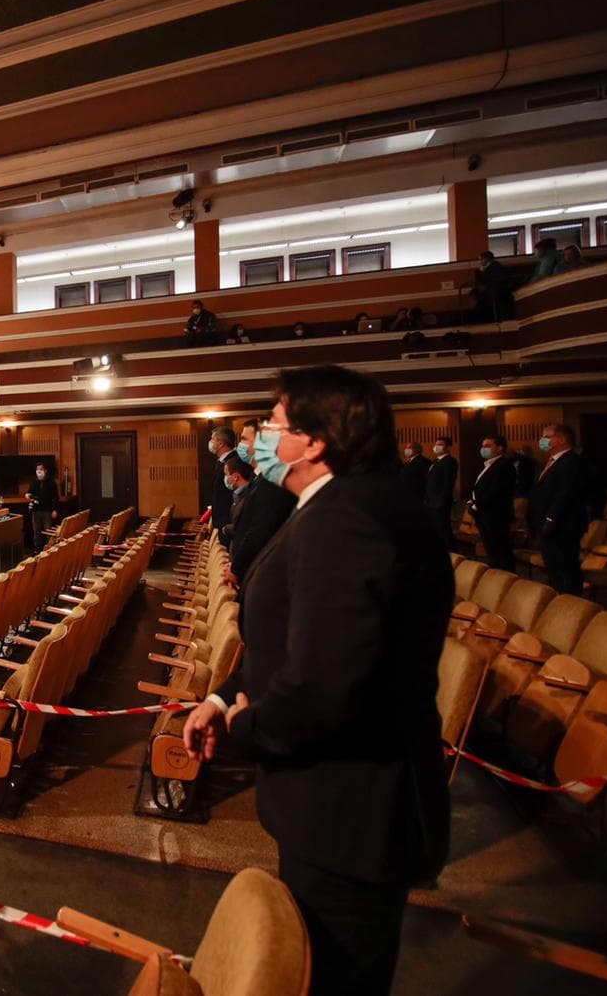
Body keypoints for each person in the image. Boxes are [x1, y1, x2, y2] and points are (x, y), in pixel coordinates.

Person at [183, 364, 451, 996]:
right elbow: (294, 639)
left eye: (275, 423)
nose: (261, 436)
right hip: (343, 808)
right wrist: (225, 693)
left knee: (335, 977)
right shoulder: (353, 505)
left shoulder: (348, 519)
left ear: (314, 440)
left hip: (349, 812)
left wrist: (247, 725)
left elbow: (325, 685)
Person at [529, 423, 590, 595]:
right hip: (548, 525)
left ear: (562, 439)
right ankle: (559, 602)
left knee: (565, 569)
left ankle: (571, 604)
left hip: (562, 526)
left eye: (547, 437)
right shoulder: (552, 462)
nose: (542, 440)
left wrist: (550, 520)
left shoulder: (571, 462)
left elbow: (565, 494)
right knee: (554, 570)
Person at [222, 454, 294, 586]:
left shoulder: (269, 484)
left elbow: (257, 531)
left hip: (260, 570)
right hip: (247, 565)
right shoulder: (256, 480)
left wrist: (237, 568)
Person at [468, 434, 517, 571]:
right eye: (483, 446)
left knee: (501, 551)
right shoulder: (488, 465)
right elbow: (479, 488)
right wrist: (471, 502)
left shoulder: (504, 465)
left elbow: (497, 491)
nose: (483, 449)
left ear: (500, 448)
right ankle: (496, 576)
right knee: (492, 551)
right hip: (484, 513)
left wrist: (476, 505)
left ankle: (506, 578)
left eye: (488, 446)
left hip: (496, 514)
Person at [425, 436, 458, 549]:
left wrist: (441, 501)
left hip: (440, 502)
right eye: (436, 444)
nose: (437, 446)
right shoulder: (436, 461)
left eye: (440, 444)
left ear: (448, 447)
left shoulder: (450, 461)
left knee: (443, 528)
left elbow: (448, 484)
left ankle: (451, 550)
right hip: (431, 501)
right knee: (436, 528)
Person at [207, 426, 237, 534]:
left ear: (221, 444)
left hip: (227, 521)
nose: (210, 442)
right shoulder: (221, 461)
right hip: (220, 520)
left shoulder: (233, 462)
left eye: (212, 439)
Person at [470, 250, 515, 322]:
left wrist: (485, 286)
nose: (480, 262)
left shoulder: (496, 267)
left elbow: (497, 280)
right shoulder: (481, 269)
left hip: (497, 289)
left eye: (481, 259)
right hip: (488, 288)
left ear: (487, 259)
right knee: (476, 294)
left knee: (484, 299)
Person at [27, 461, 60, 549]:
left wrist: (55, 510)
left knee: (48, 531)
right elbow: (29, 493)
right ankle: (37, 549)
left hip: (47, 510)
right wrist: (27, 495)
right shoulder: (33, 482)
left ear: (45, 470)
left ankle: (49, 549)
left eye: (41, 469)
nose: (39, 471)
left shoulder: (51, 482)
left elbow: (56, 497)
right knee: (36, 531)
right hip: (36, 510)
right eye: (37, 469)